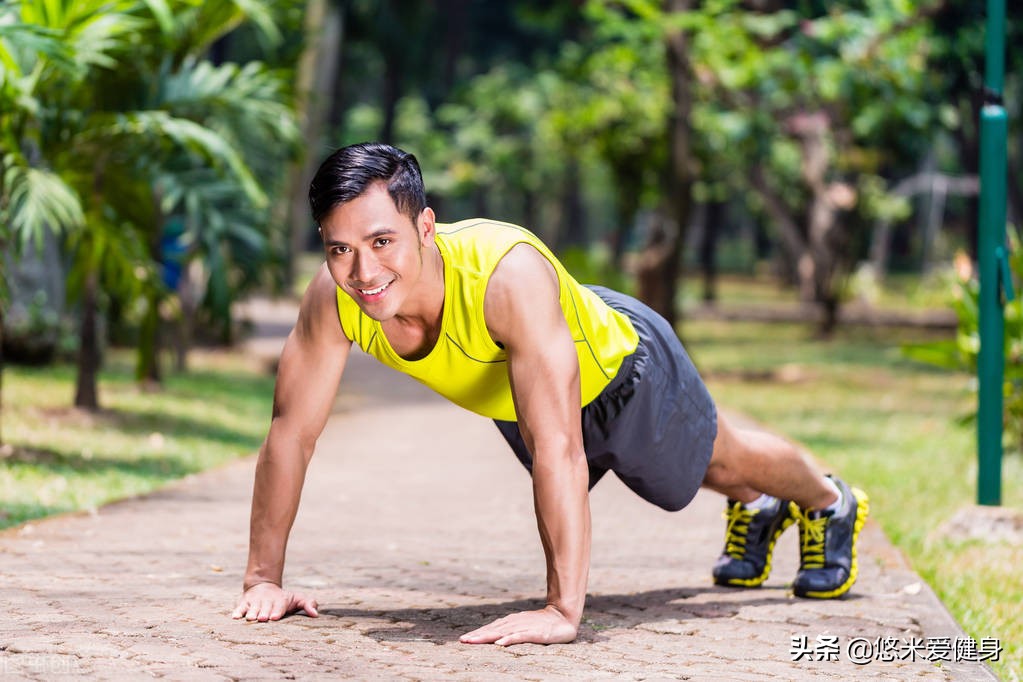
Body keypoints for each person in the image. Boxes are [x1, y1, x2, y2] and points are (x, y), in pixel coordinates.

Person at [230, 142, 869, 646]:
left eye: (380, 241)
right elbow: (291, 433)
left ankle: (828, 501)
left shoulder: (504, 276)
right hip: (529, 388)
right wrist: (264, 580)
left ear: (425, 225)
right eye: (340, 249)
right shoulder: (334, 300)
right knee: (699, 470)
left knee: (718, 459)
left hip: (622, 374)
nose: (363, 272)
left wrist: (563, 609)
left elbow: (560, 446)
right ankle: (757, 509)